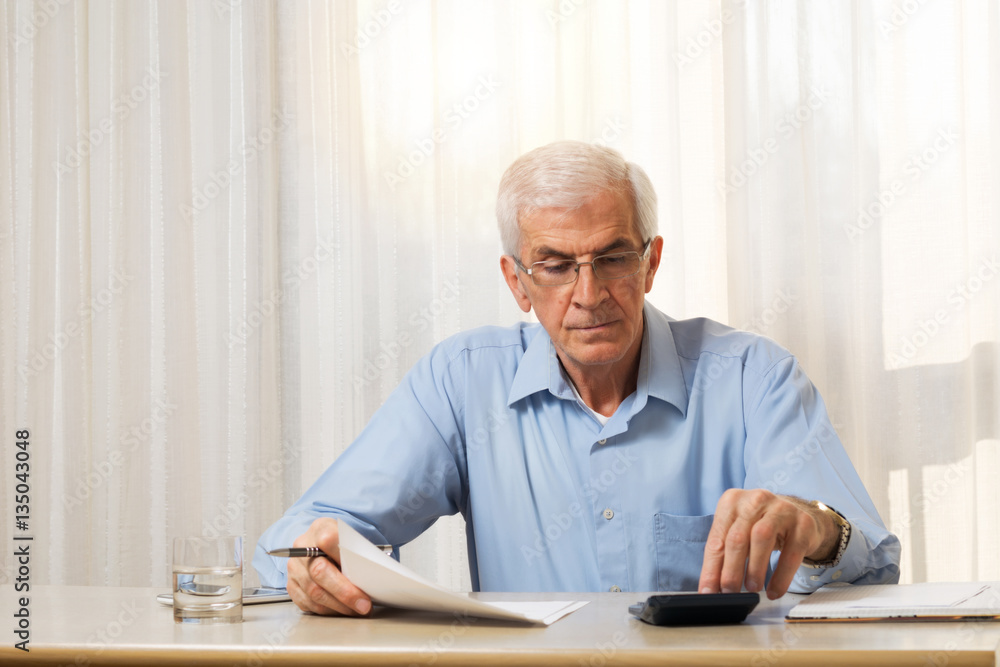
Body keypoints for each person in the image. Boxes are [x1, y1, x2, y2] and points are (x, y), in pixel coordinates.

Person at [254, 141, 900, 617]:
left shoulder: (754, 378)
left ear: (650, 263)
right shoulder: (461, 381)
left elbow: (872, 562)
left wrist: (816, 527)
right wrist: (317, 562)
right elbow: (296, 538)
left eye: (612, 257)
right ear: (517, 283)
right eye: (557, 265)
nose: (589, 294)